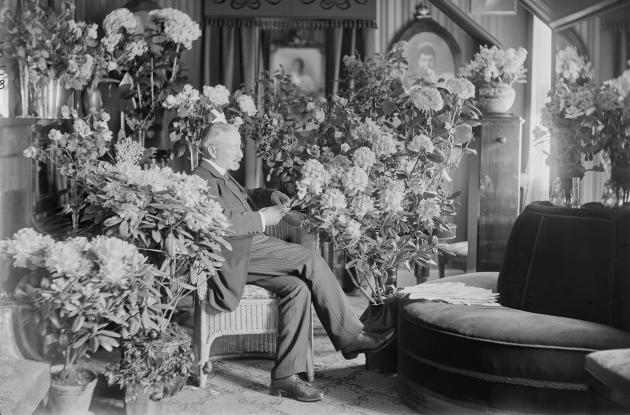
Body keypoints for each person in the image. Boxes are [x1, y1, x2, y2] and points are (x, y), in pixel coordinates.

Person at [193, 122, 394, 402]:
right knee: (309, 258)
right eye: (234, 147)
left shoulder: (221, 176)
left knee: (297, 287)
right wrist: (263, 218)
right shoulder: (200, 179)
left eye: (240, 146)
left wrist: (269, 196)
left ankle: (285, 377)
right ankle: (350, 337)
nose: (240, 153)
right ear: (212, 148)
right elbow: (220, 222)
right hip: (235, 257)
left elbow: (245, 198)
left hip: (249, 252)